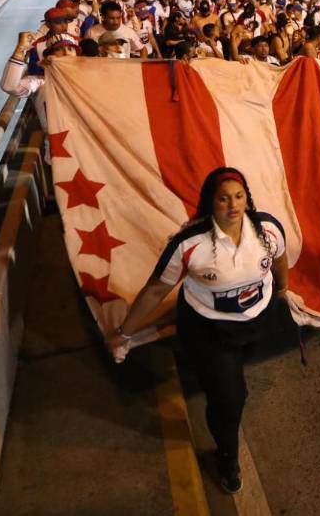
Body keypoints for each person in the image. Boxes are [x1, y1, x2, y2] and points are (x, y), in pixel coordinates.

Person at [106, 168, 289, 495]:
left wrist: (283, 290)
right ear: (210, 202)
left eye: (238, 196)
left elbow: (280, 259)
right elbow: (154, 291)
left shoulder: (268, 229)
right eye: (223, 198)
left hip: (257, 323)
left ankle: (210, 373)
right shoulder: (189, 242)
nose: (233, 206)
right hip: (210, 332)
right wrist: (124, 332)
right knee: (230, 399)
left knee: (231, 376)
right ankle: (227, 458)